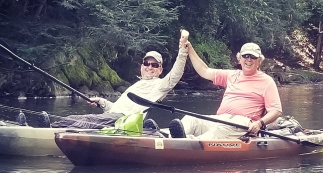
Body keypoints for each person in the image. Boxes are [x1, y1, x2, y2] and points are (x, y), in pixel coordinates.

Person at [36, 30, 189, 129]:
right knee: (82, 118)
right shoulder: (137, 85)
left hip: (123, 121)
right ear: (141, 66)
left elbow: (175, 74)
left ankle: (49, 130)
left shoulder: (160, 85)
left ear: (160, 70)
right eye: (146, 63)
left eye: (154, 65)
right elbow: (116, 108)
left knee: (87, 120)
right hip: (114, 116)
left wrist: (183, 49)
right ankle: (48, 128)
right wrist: (101, 102)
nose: (149, 67)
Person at [168, 42, 282, 139]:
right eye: (245, 56)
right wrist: (190, 49)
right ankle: (167, 138)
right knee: (191, 119)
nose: (249, 59)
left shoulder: (267, 81)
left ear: (259, 61)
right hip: (221, 119)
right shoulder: (231, 75)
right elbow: (204, 71)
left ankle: (186, 142)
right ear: (239, 59)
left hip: (243, 123)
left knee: (218, 130)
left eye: (253, 57)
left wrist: (260, 123)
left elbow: (276, 111)